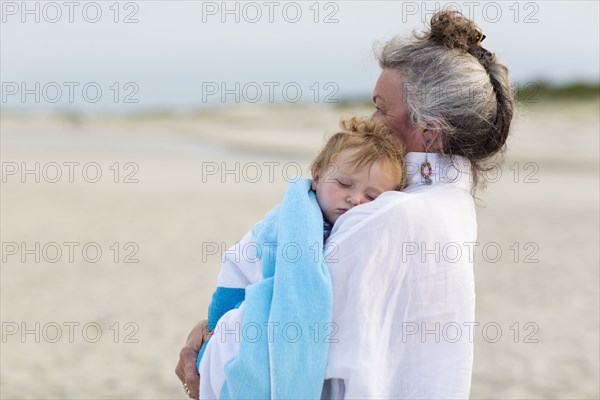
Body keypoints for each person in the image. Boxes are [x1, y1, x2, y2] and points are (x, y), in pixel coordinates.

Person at [176, 10, 513, 399]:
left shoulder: (380, 218)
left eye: (382, 108)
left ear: (428, 131)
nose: (371, 120)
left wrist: (207, 342)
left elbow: (281, 338)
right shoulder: (451, 206)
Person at [195, 116, 406, 390]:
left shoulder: (360, 231)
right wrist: (215, 328)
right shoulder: (285, 222)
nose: (355, 199)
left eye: (372, 197)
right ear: (317, 175)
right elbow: (236, 268)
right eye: (343, 184)